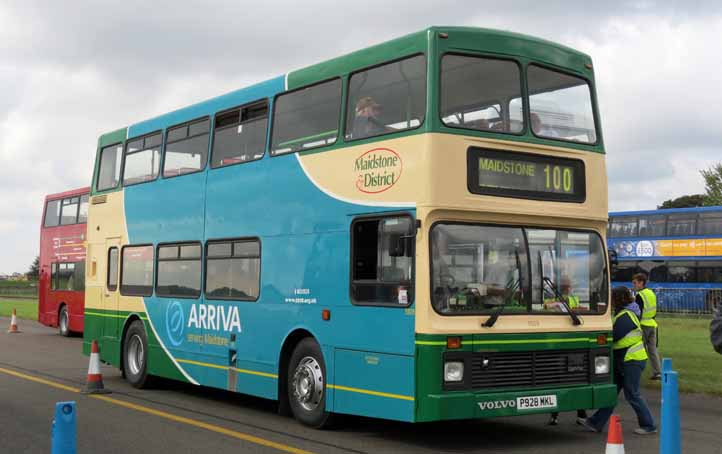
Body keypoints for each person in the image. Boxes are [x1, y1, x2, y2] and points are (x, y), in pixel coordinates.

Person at [578, 286, 657, 435]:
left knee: (632, 393)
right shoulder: (624, 313)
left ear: (618, 299)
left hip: (632, 360)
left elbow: (613, 336)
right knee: (612, 393)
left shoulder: (626, 316)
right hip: (625, 360)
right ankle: (595, 423)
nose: (610, 302)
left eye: (612, 298)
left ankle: (649, 425)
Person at [632, 273, 662, 380]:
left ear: (641, 283)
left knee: (640, 350)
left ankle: (637, 371)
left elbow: (638, 312)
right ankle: (657, 372)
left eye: (635, 283)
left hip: (643, 325)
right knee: (652, 350)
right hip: (652, 324)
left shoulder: (640, 295)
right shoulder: (651, 293)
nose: (633, 285)